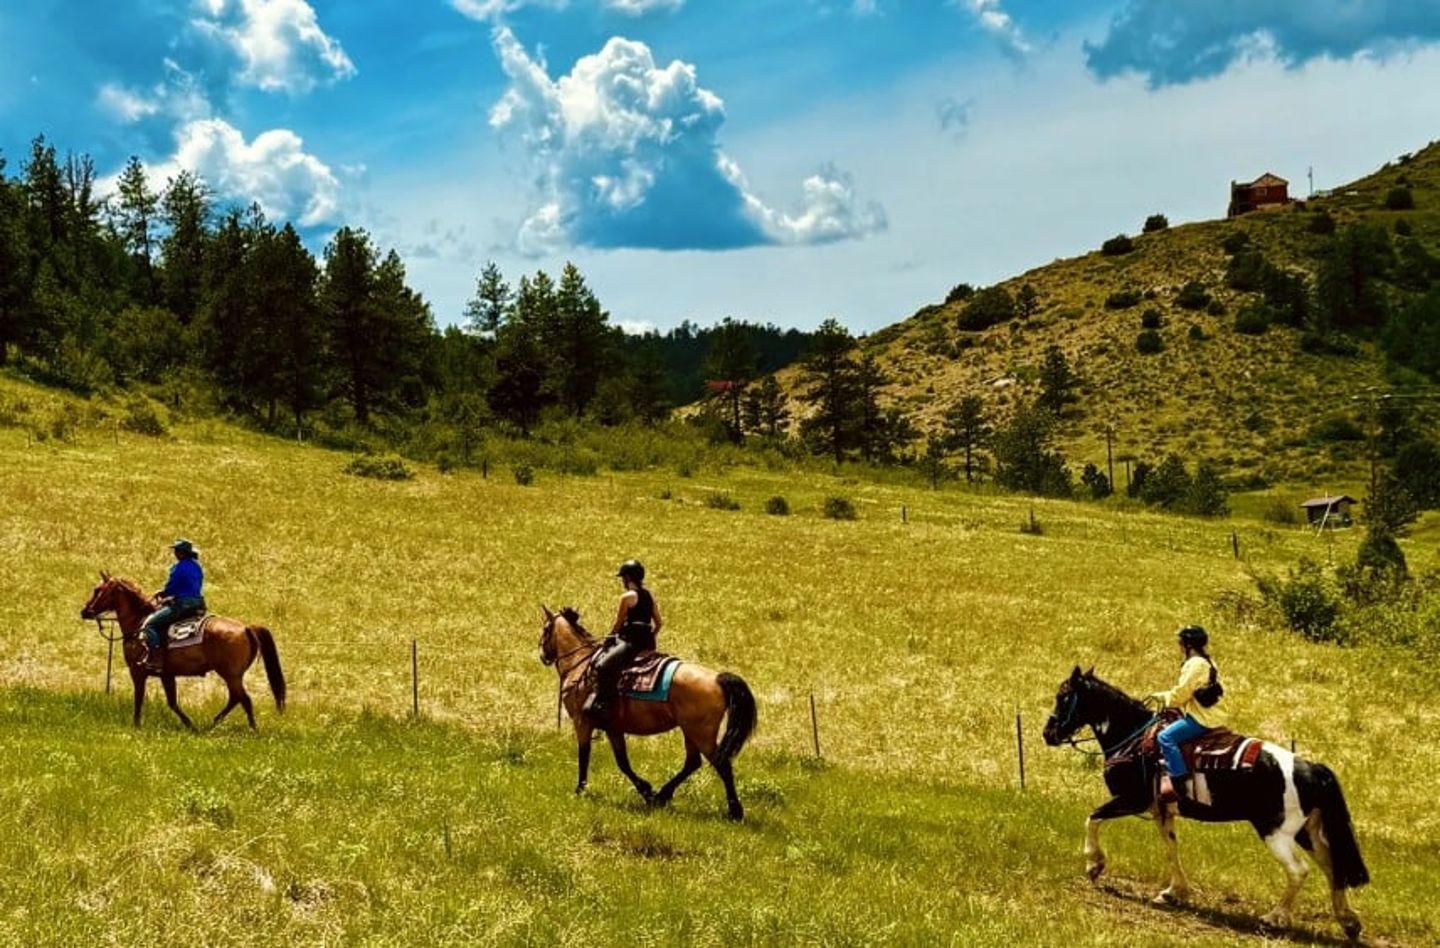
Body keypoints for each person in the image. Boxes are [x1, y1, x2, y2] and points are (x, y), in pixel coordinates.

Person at [583, 559, 664, 724]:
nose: (622, 582)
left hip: (631, 644)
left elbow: (618, 623)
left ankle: (604, 705)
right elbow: (659, 623)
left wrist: (610, 636)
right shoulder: (649, 595)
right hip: (648, 643)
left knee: (603, 666)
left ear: (627, 578)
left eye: (623, 578)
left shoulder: (627, 597)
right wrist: (651, 636)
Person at [1151, 625, 1224, 804]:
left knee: (1165, 737)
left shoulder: (1195, 664)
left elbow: (1180, 696)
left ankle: (1179, 782)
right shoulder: (1208, 661)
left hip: (1201, 718)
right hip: (1215, 715)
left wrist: (1161, 697)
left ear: (1188, 645)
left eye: (1180, 642)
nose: (1179, 646)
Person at [140, 539, 207, 673]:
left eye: (176, 551)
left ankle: (156, 658)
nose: (175, 553)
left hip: (183, 605)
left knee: (150, 625)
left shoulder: (179, 567)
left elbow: (172, 587)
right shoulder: (197, 566)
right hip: (199, 603)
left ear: (182, 553)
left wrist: (164, 593)